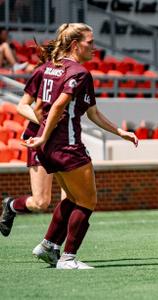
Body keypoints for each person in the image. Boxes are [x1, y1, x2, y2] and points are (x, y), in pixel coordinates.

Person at [24, 23, 138, 269]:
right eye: (90, 42)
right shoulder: (79, 72)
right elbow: (57, 107)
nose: (95, 48)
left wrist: (120, 132)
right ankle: (68, 258)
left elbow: (92, 113)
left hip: (49, 146)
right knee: (87, 201)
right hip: (67, 144)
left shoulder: (48, 68)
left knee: (74, 197)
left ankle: (48, 246)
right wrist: (44, 135)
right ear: (75, 45)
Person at [0, 42, 72, 248]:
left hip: (64, 139)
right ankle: (11, 205)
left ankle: (56, 247)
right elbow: (22, 106)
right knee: (41, 202)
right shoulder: (42, 71)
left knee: (73, 197)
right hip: (38, 137)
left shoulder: (75, 74)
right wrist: (44, 122)